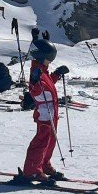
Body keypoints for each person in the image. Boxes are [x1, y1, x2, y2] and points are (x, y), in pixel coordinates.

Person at [14, 36, 62, 184]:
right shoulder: (36, 72)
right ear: (42, 57)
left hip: (52, 112)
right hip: (44, 112)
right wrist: (35, 82)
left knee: (50, 140)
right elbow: (35, 90)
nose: (50, 63)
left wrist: (56, 75)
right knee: (41, 141)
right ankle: (32, 171)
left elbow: (47, 83)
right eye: (49, 59)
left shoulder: (43, 70)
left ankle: (44, 165)